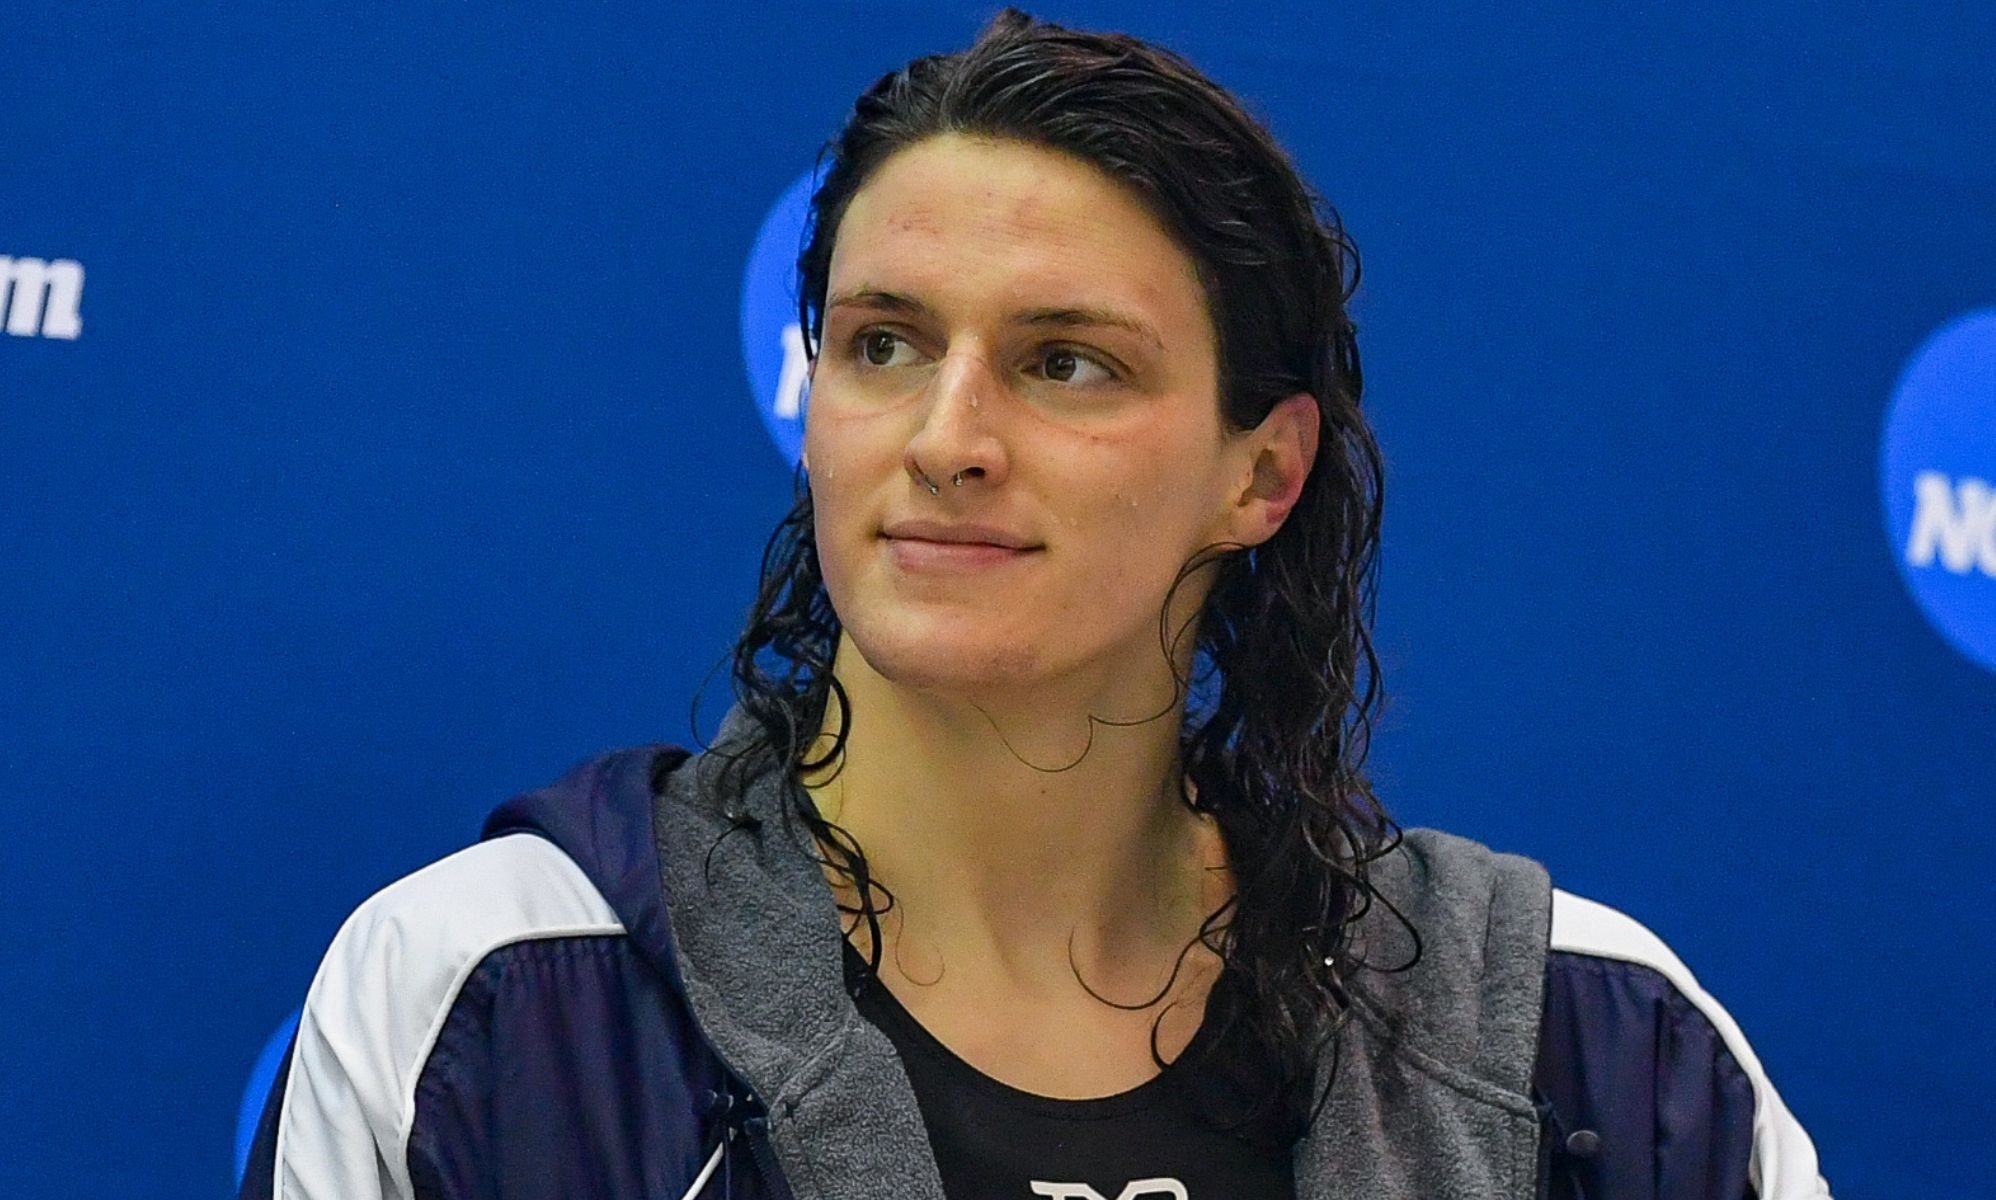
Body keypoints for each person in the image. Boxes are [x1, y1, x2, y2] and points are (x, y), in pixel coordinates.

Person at [238, 10, 1832, 1199]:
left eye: (1067, 362)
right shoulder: (502, 996)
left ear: (1261, 477)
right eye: (883, 344)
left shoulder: (1603, 1053)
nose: (947, 438)